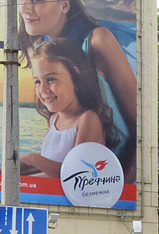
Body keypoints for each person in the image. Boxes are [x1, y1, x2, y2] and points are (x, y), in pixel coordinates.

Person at [16, 0, 136, 180]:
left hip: (104, 180)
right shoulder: (43, 48)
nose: (25, 9)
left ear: (65, 4)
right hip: (70, 177)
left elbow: (139, 127)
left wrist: (125, 189)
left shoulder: (97, 40)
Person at [20, 38, 115, 178]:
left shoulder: (87, 120)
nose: (43, 89)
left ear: (76, 80)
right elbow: (51, 160)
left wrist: (33, 159)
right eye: (37, 82)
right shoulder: (54, 120)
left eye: (51, 79)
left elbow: (76, 172)